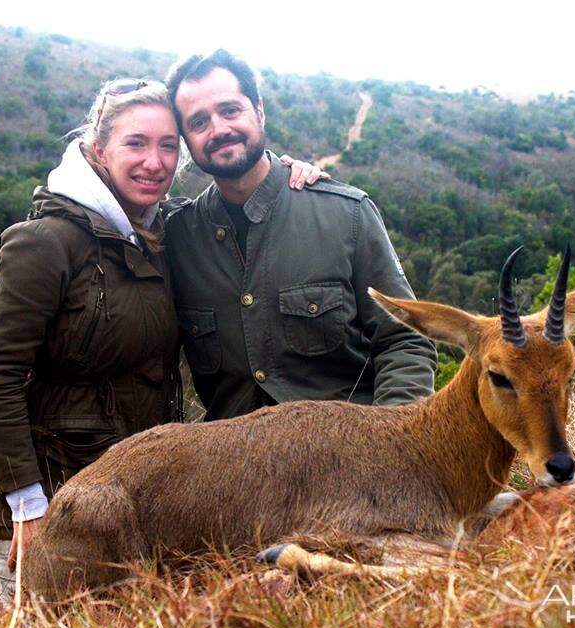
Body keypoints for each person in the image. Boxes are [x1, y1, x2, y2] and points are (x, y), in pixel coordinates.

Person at [0, 79, 324, 606]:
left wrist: (287, 173)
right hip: (60, 510)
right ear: (98, 149)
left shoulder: (160, 235)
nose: (154, 162)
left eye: (167, 146)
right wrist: (28, 508)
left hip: (144, 507)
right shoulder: (45, 243)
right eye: (136, 143)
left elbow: (241, 198)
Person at [163, 50, 438, 420]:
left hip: (347, 457)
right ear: (185, 139)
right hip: (232, 467)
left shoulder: (346, 215)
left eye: (230, 110)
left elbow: (405, 339)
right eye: (198, 122)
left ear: (259, 110)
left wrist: (389, 440)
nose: (219, 130)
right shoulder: (176, 236)